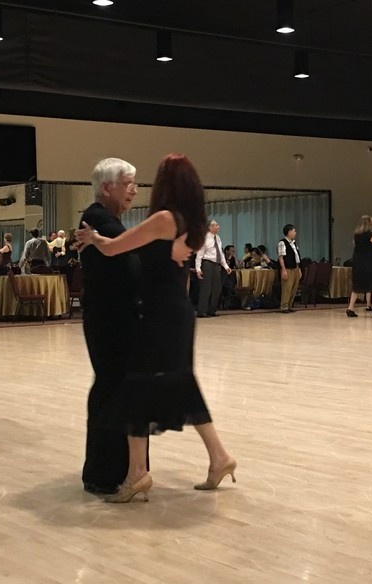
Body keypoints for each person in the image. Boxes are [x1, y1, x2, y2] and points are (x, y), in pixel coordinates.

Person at [80, 153, 236, 503]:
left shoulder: (164, 219)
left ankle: (139, 474)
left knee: (139, 386)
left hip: (157, 314)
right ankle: (216, 458)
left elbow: (115, 248)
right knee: (177, 384)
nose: (138, 188)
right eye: (130, 183)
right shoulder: (190, 224)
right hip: (174, 312)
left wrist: (93, 238)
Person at [76, 158, 146, 495]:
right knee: (111, 389)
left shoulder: (108, 221)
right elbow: (136, 249)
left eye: (135, 183)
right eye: (128, 183)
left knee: (117, 389)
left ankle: (120, 470)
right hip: (110, 323)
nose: (134, 190)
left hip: (119, 319)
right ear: (106, 187)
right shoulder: (96, 218)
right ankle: (106, 473)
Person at [194, 220, 231, 317]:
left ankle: (212, 310)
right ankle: (202, 311)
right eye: (216, 225)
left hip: (216, 264)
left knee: (216, 288)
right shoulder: (204, 238)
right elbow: (199, 254)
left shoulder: (217, 238)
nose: (218, 226)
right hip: (207, 263)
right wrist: (198, 269)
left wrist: (226, 266)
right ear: (210, 227)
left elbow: (220, 253)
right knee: (206, 288)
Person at [277, 224, 301, 313]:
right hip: (287, 268)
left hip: (295, 267)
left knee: (294, 287)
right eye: (294, 231)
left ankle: (290, 305)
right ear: (289, 232)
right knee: (287, 287)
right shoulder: (282, 243)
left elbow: (297, 256)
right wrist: (283, 269)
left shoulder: (294, 243)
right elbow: (281, 257)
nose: (295, 233)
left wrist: (299, 268)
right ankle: (284, 306)